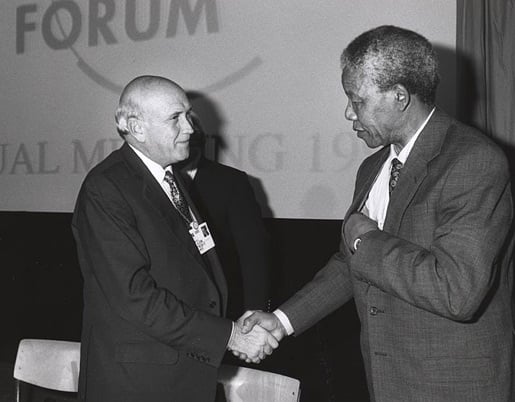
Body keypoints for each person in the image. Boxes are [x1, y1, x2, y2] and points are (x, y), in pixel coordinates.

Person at [241, 25, 514, 401]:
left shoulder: (474, 161)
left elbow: (457, 291)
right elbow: (352, 261)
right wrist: (282, 321)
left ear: (400, 96)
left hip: (454, 386)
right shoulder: (373, 168)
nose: (347, 112)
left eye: (357, 100)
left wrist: (365, 237)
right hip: (389, 382)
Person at [71, 75, 278, 402]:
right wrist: (230, 336)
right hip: (139, 383)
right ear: (137, 128)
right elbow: (134, 296)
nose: (191, 129)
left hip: (181, 371)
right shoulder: (106, 189)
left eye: (188, 115)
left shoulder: (170, 179)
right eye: (175, 119)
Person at [178, 114, 272, 321]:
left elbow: (253, 252)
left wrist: (255, 311)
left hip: (220, 309)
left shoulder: (231, 182)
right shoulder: (150, 183)